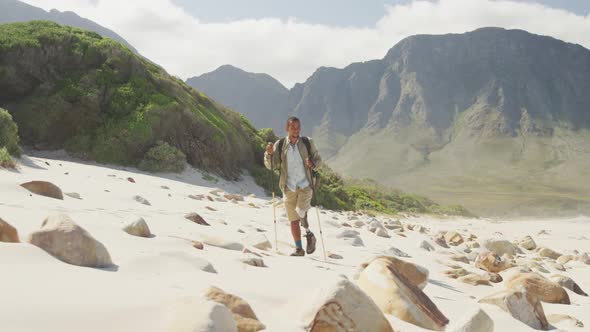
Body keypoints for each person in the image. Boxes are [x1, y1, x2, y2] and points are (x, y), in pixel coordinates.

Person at [264, 116, 322, 256]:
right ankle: (299, 249)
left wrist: (312, 165)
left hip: (305, 185)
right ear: (287, 128)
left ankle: (309, 234)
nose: (296, 130)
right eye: (293, 128)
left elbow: (318, 160)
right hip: (288, 187)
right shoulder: (281, 144)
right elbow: (271, 165)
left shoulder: (307, 143)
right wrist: (269, 154)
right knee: (293, 220)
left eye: (298, 127)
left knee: (301, 211)